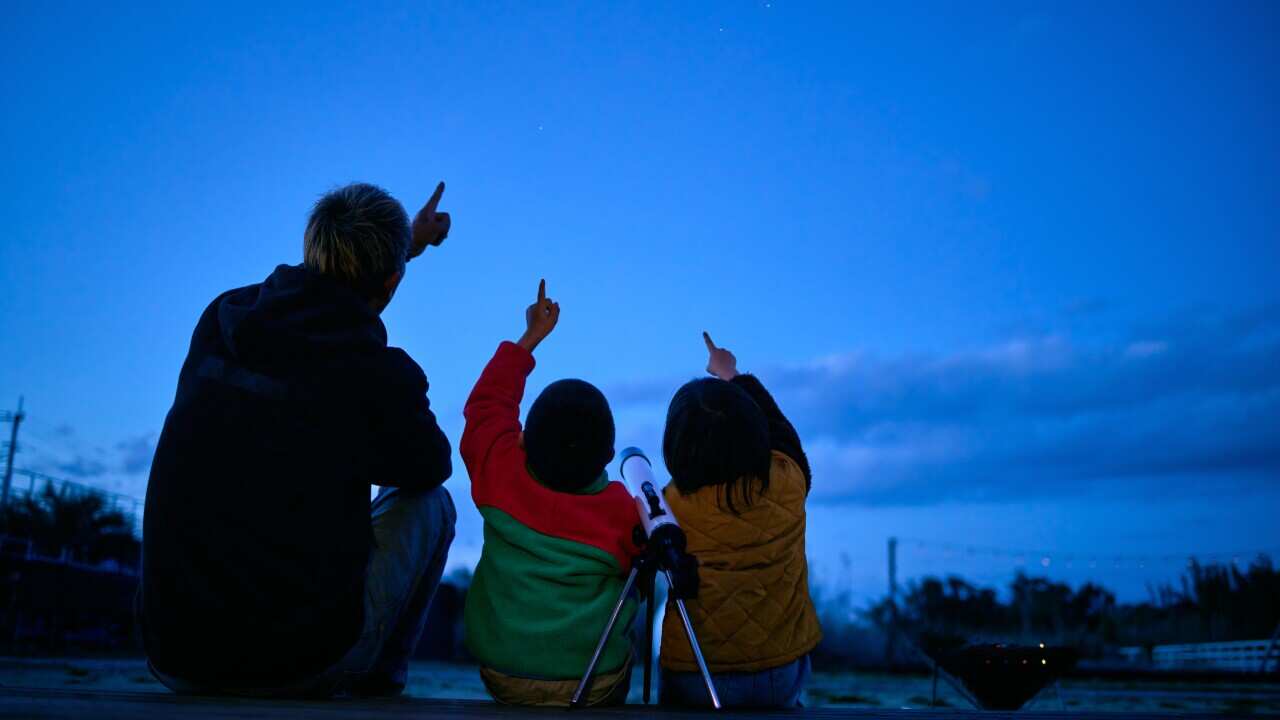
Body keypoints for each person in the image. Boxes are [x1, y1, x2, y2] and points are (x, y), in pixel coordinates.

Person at [140, 181, 457, 698]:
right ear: (392, 282)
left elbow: (326, 300)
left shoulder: (223, 319)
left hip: (174, 655)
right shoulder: (377, 376)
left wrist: (406, 249)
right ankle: (376, 681)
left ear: (313, 248)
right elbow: (429, 465)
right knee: (433, 505)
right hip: (296, 665)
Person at [459, 280, 641, 707]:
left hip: (503, 673)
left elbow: (486, 406)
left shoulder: (499, 471)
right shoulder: (621, 510)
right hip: (594, 682)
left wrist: (529, 339)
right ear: (609, 456)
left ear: (522, 440)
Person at [657, 332, 821, 708]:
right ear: (756, 433)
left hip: (695, 674)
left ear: (677, 446)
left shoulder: (671, 506)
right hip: (780, 674)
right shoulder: (789, 481)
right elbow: (782, 431)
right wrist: (731, 375)